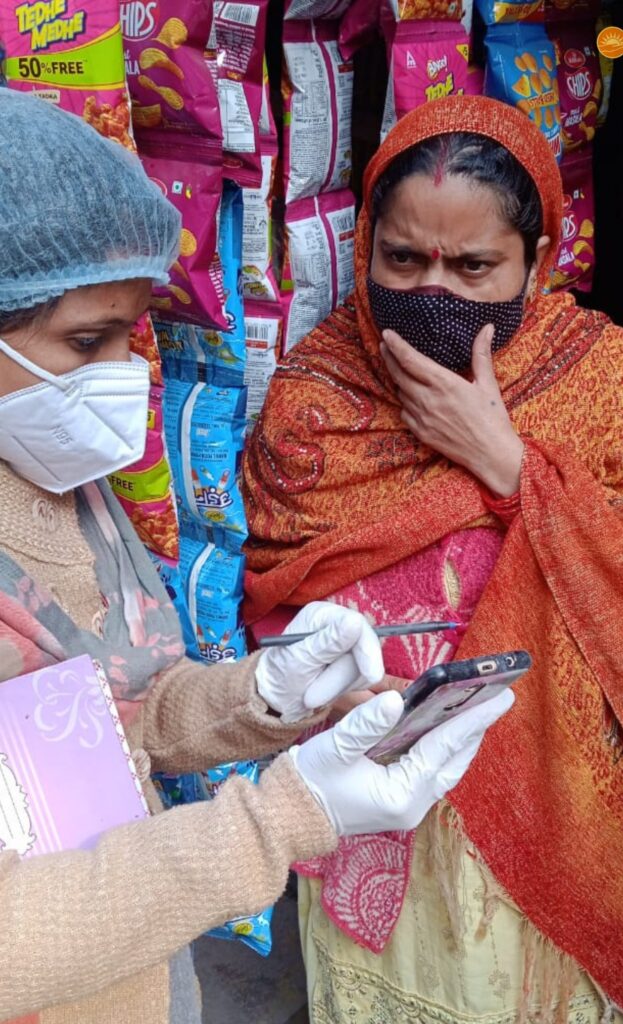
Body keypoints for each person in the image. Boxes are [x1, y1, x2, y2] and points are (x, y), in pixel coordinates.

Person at [0, 89, 514, 1024]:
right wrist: (282, 819)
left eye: (130, 336)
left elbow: (124, 718)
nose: (123, 377)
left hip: (140, 984)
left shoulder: (56, 476)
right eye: (86, 342)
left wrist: (267, 696)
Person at [242, 95, 623, 1024]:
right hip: (369, 791)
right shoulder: (317, 390)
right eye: (403, 259)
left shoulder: (605, 381)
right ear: (364, 247)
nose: (435, 292)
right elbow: (273, 588)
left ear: (537, 261)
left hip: (556, 804)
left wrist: (507, 465)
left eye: (473, 267)